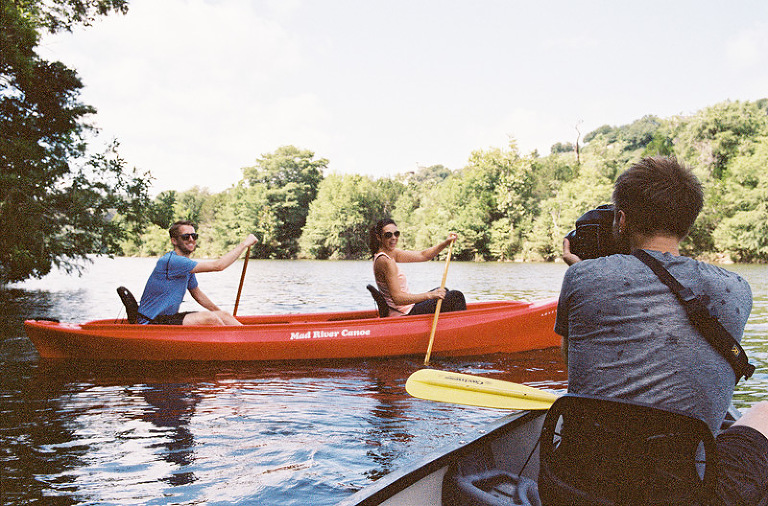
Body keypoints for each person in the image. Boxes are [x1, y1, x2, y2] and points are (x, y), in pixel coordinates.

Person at [556, 156, 768, 504]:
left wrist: (583, 274)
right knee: (765, 411)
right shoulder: (737, 288)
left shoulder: (582, 277)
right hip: (686, 494)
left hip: (579, 483)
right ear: (689, 224)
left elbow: (573, 362)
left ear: (621, 220)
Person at [137, 220, 258, 326]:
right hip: (151, 321)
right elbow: (218, 266)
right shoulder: (174, 261)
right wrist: (244, 244)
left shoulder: (186, 265)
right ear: (174, 240)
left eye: (194, 236)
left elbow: (198, 295)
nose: (191, 239)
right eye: (185, 236)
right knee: (210, 319)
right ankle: (235, 345)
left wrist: (220, 314)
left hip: (167, 318)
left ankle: (249, 340)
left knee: (223, 315)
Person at [369, 218, 466, 316]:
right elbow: (398, 299)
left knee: (444, 291)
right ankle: (460, 328)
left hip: (406, 308)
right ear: (378, 237)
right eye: (388, 235)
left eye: (396, 233)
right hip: (404, 313)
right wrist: (430, 295)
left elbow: (423, 255)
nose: (394, 238)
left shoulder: (390, 253)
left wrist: (445, 243)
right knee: (456, 296)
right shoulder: (385, 261)